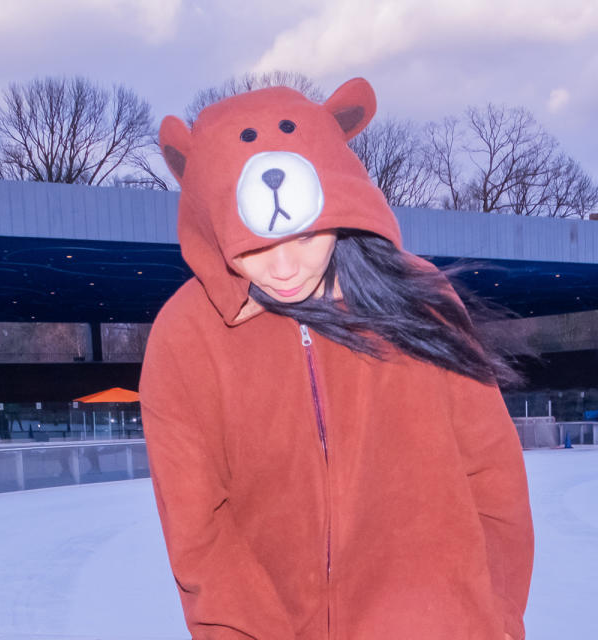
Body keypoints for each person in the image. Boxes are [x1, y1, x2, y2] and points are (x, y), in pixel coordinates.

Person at [140, 80, 534, 639]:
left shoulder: (421, 297)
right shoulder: (186, 337)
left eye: (305, 238)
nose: (283, 270)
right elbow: (198, 533)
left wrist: (494, 623)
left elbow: (493, 478)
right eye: (253, 248)